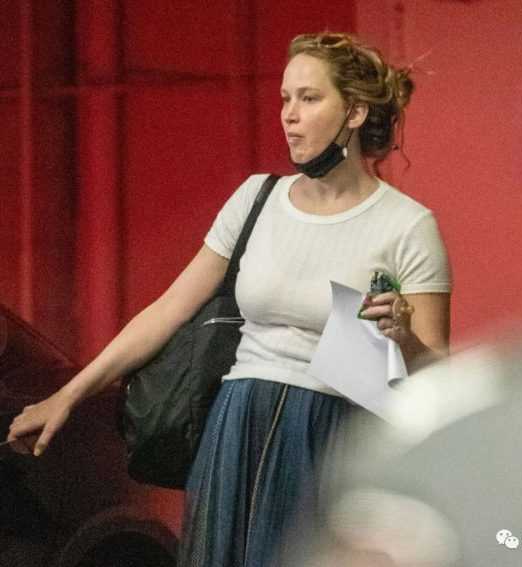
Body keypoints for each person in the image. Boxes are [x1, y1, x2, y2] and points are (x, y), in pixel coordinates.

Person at [7, 32, 452, 566]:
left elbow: (436, 374)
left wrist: (402, 337)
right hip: (237, 425)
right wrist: (67, 396)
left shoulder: (406, 225)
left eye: (309, 98)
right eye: (285, 98)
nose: (289, 115)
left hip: (333, 434)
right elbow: (168, 310)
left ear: (354, 112)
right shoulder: (257, 198)